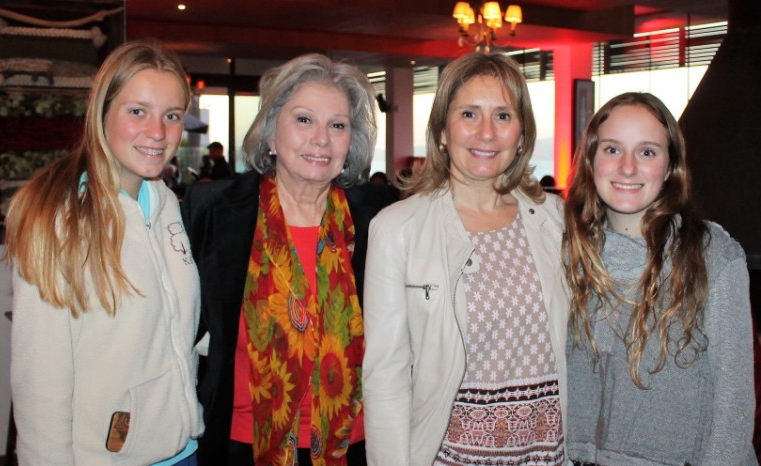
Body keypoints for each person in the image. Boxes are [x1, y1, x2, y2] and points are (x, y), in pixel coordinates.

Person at [182, 53, 392, 465]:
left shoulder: (379, 220)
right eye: (303, 120)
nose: (321, 139)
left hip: (356, 448)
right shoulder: (214, 213)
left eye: (337, 125)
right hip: (242, 446)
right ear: (271, 134)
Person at [362, 52, 569, 465]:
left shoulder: (554, 219)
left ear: (522, 134)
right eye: (470, 114)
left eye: (504, 116)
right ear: (442, 130)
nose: (487, 133)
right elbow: (385, 377)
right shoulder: (397, 229)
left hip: (548, 455)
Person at [4, 41, 203, 466]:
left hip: (183, 449)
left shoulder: (165, 202)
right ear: (102, 113)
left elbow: (171, 326)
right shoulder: (57, 220)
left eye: (171, 116)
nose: (158, 132)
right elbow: (40, 382)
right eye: (138, 111)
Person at [563, 92, 756, 465]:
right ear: (590, 159)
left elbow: (733, 406)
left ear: (670, 167)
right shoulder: (566, 252)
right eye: (613, 150)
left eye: (647, 152)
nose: (628, 168)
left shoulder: (712, 255)